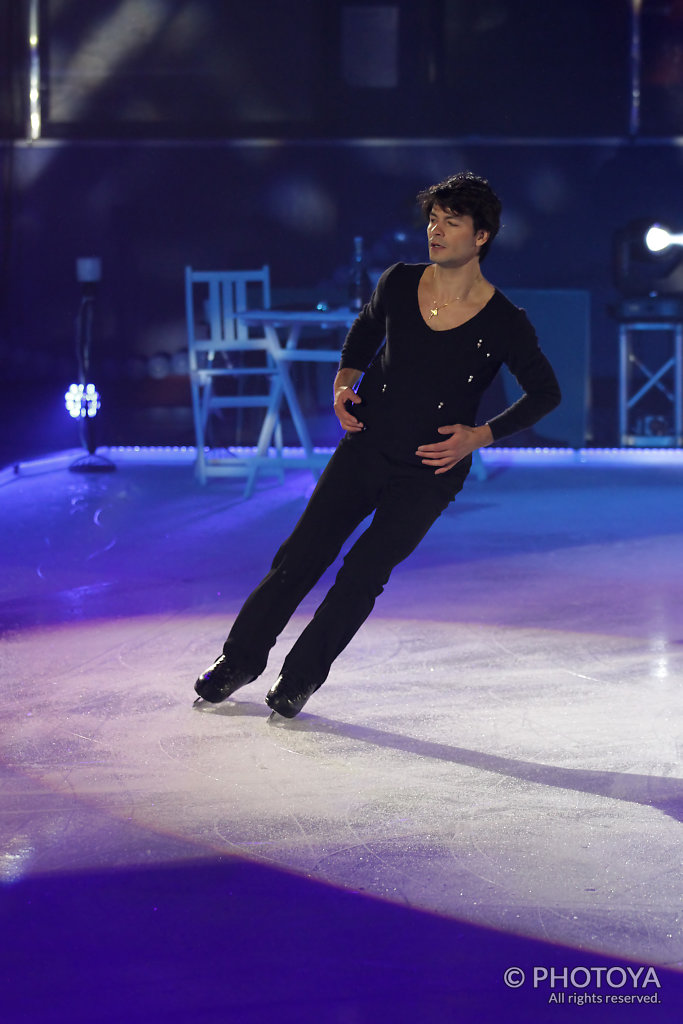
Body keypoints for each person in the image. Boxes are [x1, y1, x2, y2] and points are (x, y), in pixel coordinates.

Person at [193, 171, 561, 718]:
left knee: (363, 574)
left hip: (430, 468)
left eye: (450, 223)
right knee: (301, 555)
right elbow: (364, 332)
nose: (435, 233)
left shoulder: (505, 321)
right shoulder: (398, 282)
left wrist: (481, 436)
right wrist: (345, 383)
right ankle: (240, 659)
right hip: (366, 444)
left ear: (481, 236)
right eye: (432, 221)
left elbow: (545, 392)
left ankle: (299, 679)